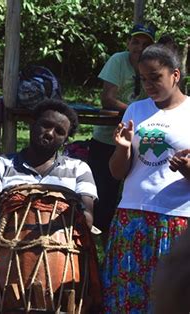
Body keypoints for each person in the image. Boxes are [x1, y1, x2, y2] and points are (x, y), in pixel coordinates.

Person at [102, 44, 190, 313]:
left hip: (175, 219)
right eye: (143, 78)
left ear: (175, 75)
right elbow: (118, 172)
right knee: (127, 299)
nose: (149, 85)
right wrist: (123, 147)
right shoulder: (136, 111)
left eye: (156, 77)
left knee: (170, 299)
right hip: (131, 216)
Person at [0, 99, 98, 232]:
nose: (50, 133)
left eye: (59, 131)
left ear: (65, 141)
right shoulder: (0, 164)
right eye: (46, 125)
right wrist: (10, 199)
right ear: (32, 124)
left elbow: (87, 220)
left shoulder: (78, 169)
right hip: (8, 248)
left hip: (60, 249)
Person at [88, 23, 155, 244]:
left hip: (140, 138)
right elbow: (107, 97)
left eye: (145, 43)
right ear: (128, 43)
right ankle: (94, 234)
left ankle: (123, 234)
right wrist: (135, 114)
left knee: (132, 187)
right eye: (135, 41)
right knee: (102, 190)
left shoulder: (153, 66)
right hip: (109, 137)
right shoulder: (118, 59)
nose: (139, 47)